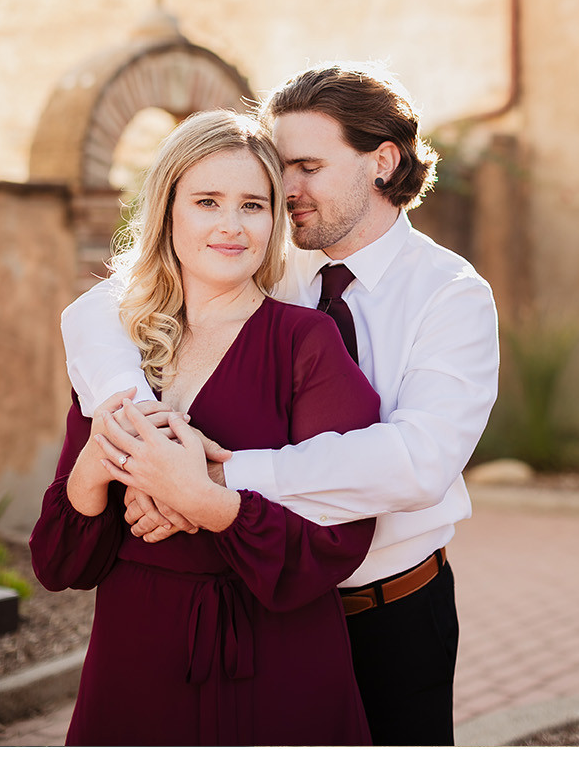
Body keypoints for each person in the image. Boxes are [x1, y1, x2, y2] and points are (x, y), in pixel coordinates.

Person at [60, 63, 500, 745]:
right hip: (271, 609)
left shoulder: (451, 293)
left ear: (381, 162)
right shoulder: (265, 257)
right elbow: (100, 309)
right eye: (278, 166)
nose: (283, 188)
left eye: (306, 166)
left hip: (390, 610)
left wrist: (208, 479)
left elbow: (417, 462)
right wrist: (140, 430)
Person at [33, 110, 383, 745]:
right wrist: (99, 464)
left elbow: (341, 535)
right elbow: (59, 564)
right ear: (169, 212)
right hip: (136, 655)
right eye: (206, 202)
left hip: (276, 657)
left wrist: (203, 501)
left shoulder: (307, 341)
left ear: (275, 220)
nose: (230, 225)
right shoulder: (123, 348)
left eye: (252, 204)